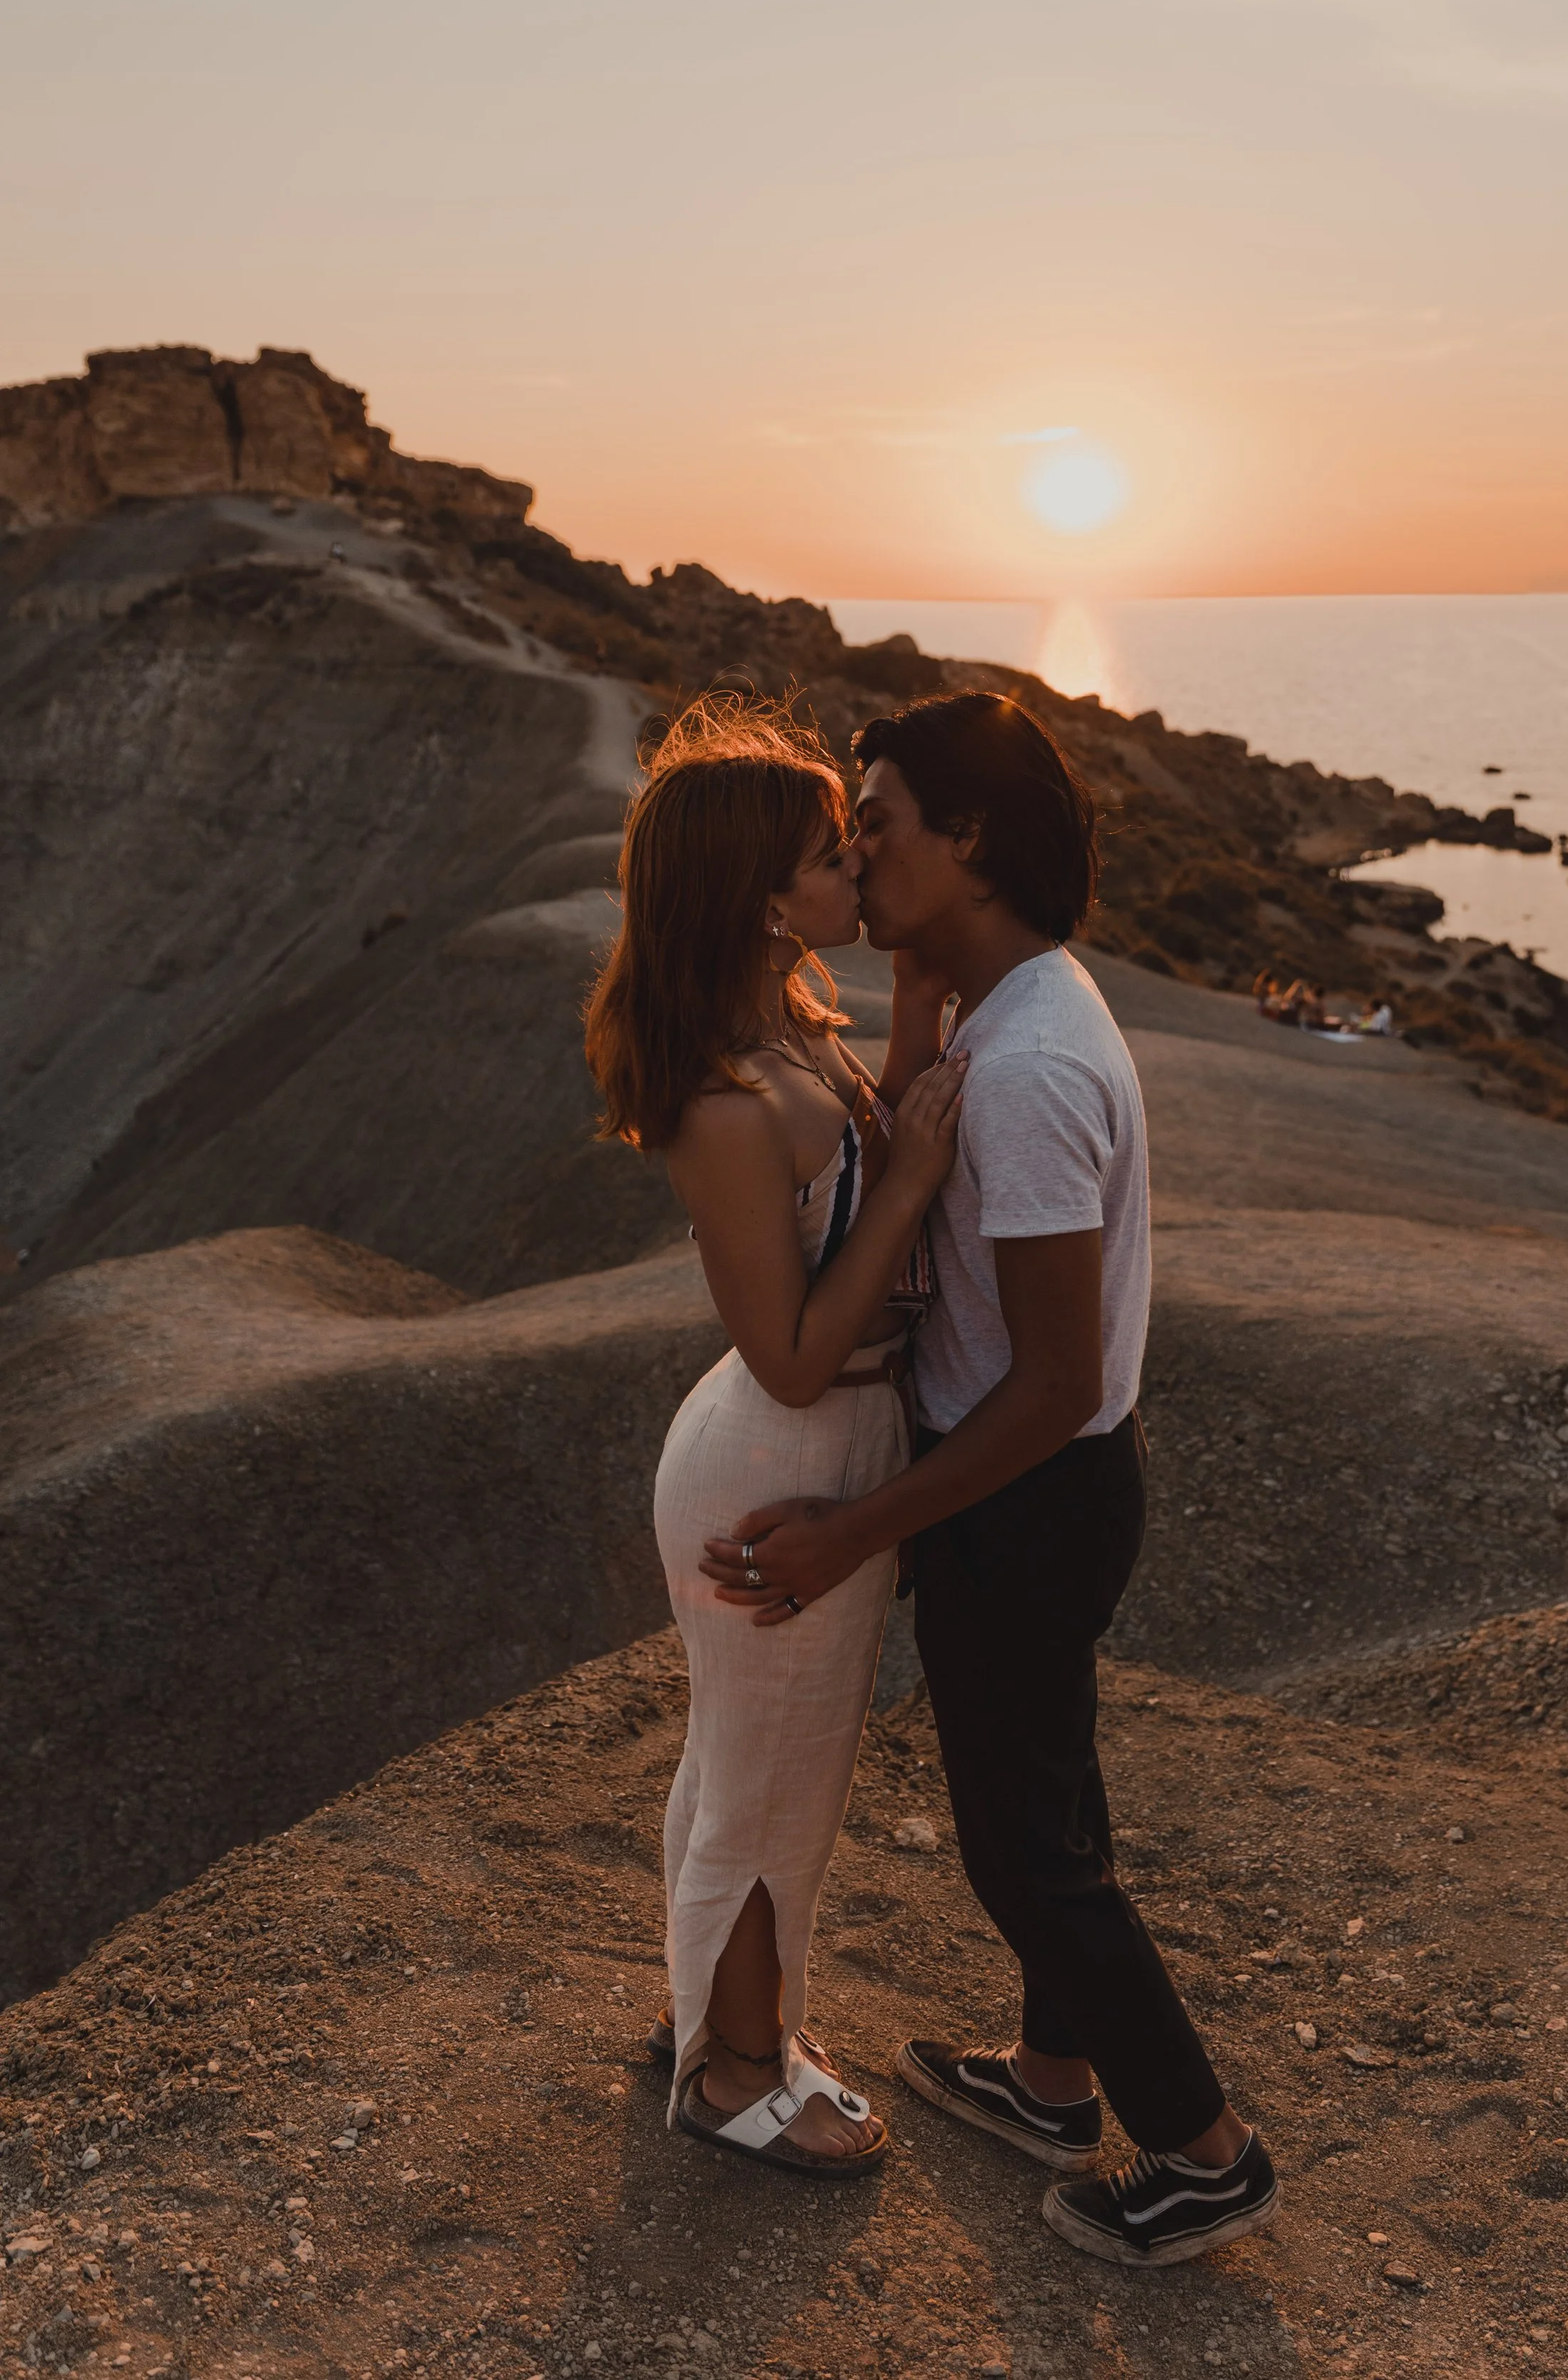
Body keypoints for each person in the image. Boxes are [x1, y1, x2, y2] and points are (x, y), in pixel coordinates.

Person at [702, 691, 1279, 2268]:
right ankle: (1046, 2080)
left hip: (1025, 1491)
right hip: (1051, 1489)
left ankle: (1203, 2151)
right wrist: (908, 1002)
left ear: (968, 837)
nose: (856, 848)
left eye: (878, 817)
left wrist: (851, 1532)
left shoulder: (1023, 1070)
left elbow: (1052, 1380)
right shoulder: (1015, 1005)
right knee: (1055, 1802)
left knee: (1024, 1855)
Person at [585, 697, 965, 2178]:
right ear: (762, 901)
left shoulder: (791, 1025)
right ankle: (733, 2072)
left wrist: (916, 1022)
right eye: (830, 851)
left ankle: (712, 2016)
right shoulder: (722, 1106)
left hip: (832, 1446)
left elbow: (861, 1140)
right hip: (776, 1455)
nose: (856, 864)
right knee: (771, 1778)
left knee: (755, 1760)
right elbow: (792, 1356)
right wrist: (912, 1182)